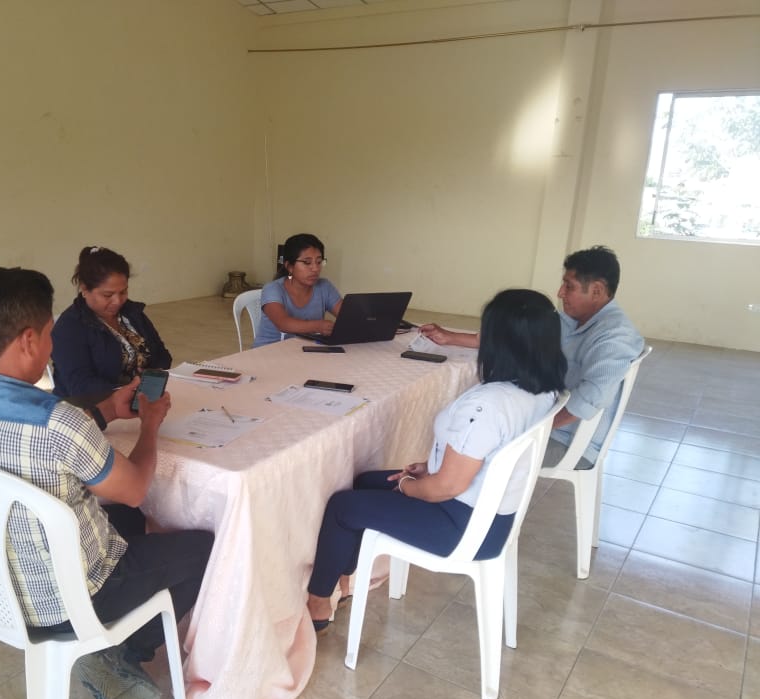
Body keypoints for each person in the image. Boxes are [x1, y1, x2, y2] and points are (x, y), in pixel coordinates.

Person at [0, 267, 213, 699]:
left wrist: (106, 410)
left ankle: (116, 645)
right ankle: (119, 652)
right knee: (204, 548)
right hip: (70, 600)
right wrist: (150, 426)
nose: (51, 346)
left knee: (128, 519)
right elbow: (135, 488)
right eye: (48, 335)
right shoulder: (58, 421)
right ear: (28, 340)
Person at [306, 289, 565, 631]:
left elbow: (445, 487)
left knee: (342, 507)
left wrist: (408, 485)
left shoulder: (488, 405)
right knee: (366, 481)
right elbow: (480, 457)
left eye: (485, 331)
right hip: (492, 514)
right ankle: (345, 575)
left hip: (460, 525)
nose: (480, 338)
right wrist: (430, 466)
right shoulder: (543, 389)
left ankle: (318, 603)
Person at [419, 245, 644, 468]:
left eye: (569, 286)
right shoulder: (574, 320)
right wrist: (449, 337)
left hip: (567, 443)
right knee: (465, 436)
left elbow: (590, 398)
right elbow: (512, 337)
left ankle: (438, 482)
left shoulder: (615, 337)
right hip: (548, 423)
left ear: (596, 290)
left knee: (469, 449)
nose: (560, 293)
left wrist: (528, 429)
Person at [51, 246, 172, 401]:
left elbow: (162, 354)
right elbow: (80, 386)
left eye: (123, 292)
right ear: (84, 289)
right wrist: (129, 391)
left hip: (140, 399)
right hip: (91, 407)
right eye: (107, 295)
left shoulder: (132, 313)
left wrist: (152, 377)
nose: (118, 301)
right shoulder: (69, 328)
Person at [252, 233, 343, 347]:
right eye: (307, 262)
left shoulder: (324, 286)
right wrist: (318, 326)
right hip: (268, 351)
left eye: (319, 262)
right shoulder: (273, 289)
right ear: (290, 266)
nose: (315, 269)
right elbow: (283, 323)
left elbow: (347, 316)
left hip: (305, 350)